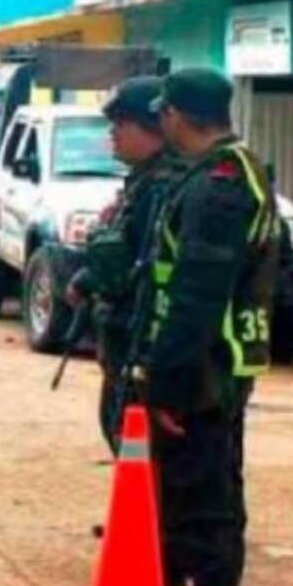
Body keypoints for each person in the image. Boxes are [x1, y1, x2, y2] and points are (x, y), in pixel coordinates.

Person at [138, 68, 277, 586]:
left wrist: (169, 384)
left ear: (174, 115)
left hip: (207, 363)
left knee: (207, 501)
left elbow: (199, 290)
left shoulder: (220, 183)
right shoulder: (233, 170)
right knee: (204, 489)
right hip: (214, 359)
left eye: (162, 114)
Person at [65, 76, 184, 453]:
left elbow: (141, 259)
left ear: (153, 127)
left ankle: (141, 512)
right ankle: (133, 510)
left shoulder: (165, 187)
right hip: (121, 336)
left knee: (137, 440)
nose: (112, 135)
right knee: (125, 434)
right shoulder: (143, 182)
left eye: (121, 125)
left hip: (142, 339)